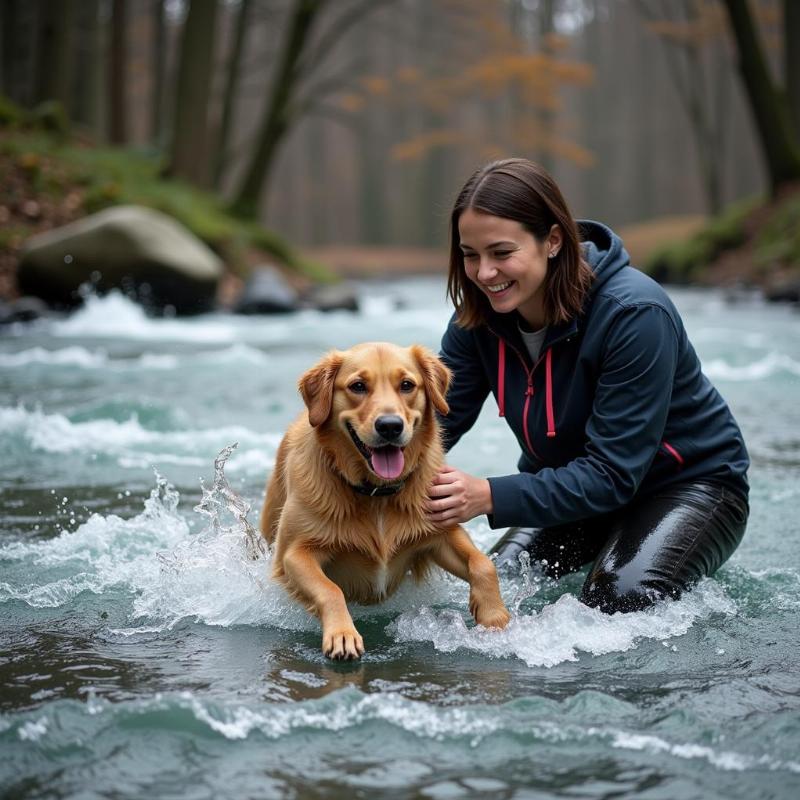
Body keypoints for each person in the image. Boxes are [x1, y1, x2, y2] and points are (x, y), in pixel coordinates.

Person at [426, 158, 749, 614]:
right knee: (488, 589)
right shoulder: (476, 320)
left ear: (553, 240)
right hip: (570, 489)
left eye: (501, 253)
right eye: (470, 254)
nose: (483, 274)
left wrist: (488, 495)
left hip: (689, 488)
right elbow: (432, 425)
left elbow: (613, 474)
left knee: (616, 600)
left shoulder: (634, 314)